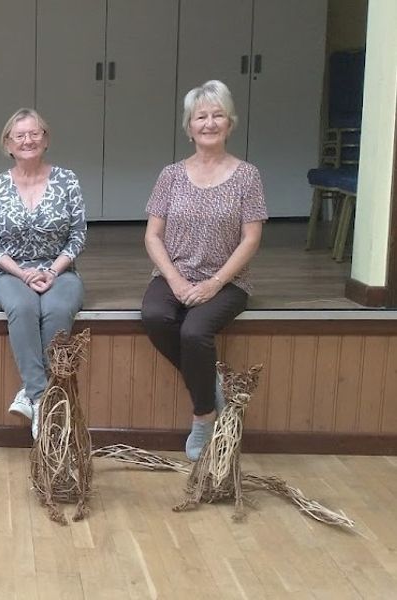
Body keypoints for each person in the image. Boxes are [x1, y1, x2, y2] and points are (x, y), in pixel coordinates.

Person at [140, 80, 267, 460]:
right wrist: (176, 280)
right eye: (201, 117)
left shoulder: (247, 176)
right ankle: (212, 388)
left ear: (230, 123)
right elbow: (152, 236)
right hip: (173, 273)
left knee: (195, 332)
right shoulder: (171, 175)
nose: (209, 123)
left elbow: (251, 239)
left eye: (217, 115)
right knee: (156, 316)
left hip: (228, 280)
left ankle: (203, 417)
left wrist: (214, 284)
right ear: (189, 126)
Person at [0, 109, 86, 439]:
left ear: (46, 139)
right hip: (10, 274)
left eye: (34, 133)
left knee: (56, 308)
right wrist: (24, 274)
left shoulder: (67, 180)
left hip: (61, 271)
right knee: (23, 307)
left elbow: (78, 235)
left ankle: (30, 393)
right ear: (8, 144)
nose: (28, 140)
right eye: (20, 135)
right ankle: (42, 397)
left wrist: (53, 271)